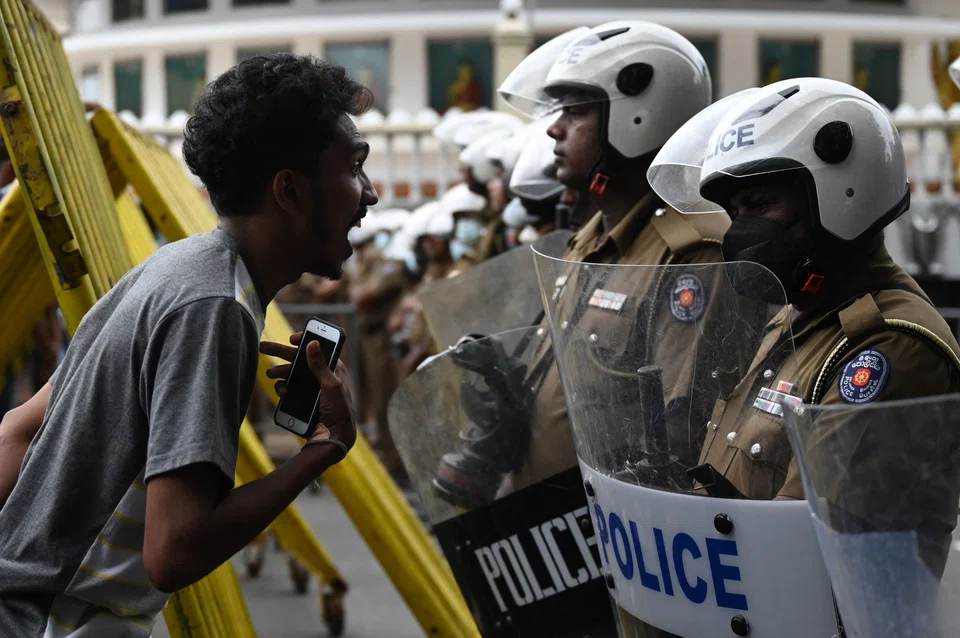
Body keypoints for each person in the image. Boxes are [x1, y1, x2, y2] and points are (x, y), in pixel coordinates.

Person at [0, 53, 375, 636]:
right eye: (355, 169)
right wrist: (324, 449)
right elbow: (173, 553)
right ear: (290, 191)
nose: (369, 194)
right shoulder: (215, 309)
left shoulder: (173, 268)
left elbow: (17, 431)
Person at [654, 78, 960, 570]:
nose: (741, 232)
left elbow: (798, 551)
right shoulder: (799, 317)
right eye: (734, 214)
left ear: (840, 193)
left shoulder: (888, 344)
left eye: (759, 205)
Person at [491, 21, 729, 493]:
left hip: (616, 532)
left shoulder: (690, 253)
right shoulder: (588, 239)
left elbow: (678, 436)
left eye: (576, 111)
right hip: (550, 526)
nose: (554, 128)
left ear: (642, 116)